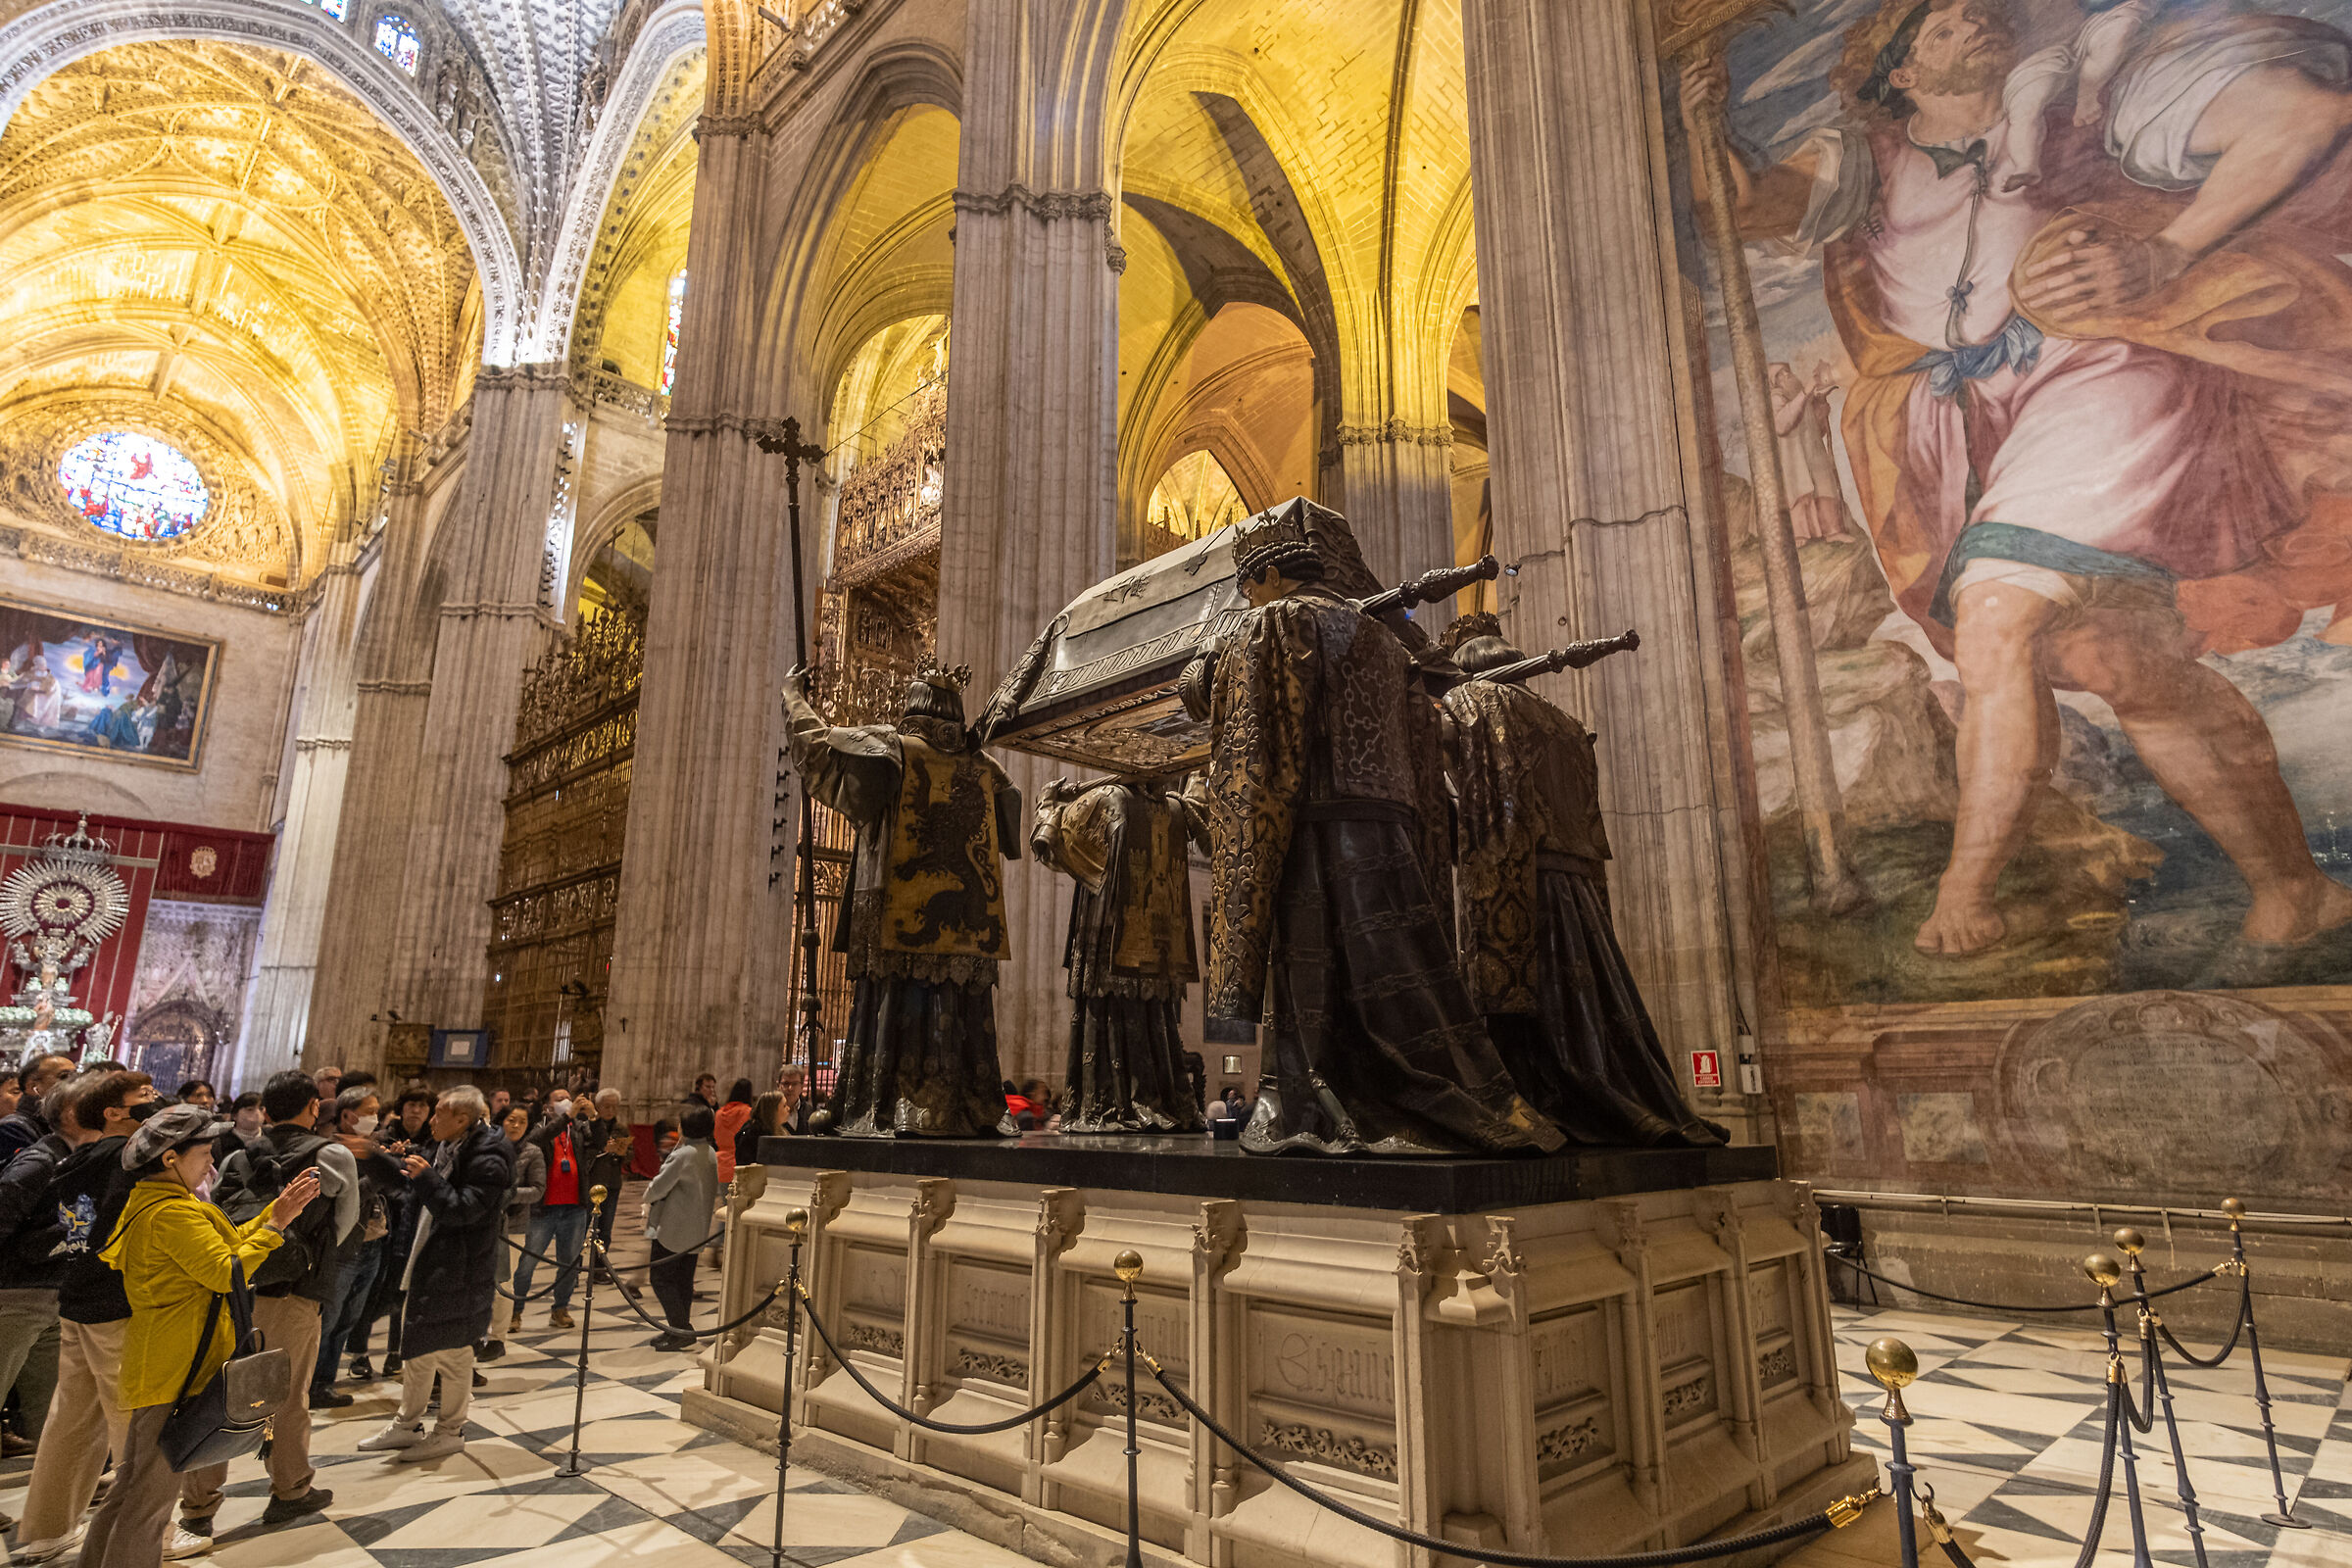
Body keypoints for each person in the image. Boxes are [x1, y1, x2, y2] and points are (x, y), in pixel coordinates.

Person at [1683, 0, 2352, 956]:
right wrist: (1705, 120)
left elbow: (2305, 117)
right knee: (2120, 661)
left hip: (2102, 377)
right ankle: (2295, 884)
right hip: (1970, 430)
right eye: (1940, 22)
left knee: (1997, 618)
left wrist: (2167, 248)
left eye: (1978, 11)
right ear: (1900, 72)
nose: (1971, 21)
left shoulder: (2090, 102)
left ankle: (1965, 895)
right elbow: (1743, 205)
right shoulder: (1868, 163)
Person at [1182, 504, 1563, 1157]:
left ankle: (1316, 1104)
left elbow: (1218, 706)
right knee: (1397, 977)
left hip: (1315, 829)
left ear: (1271, 573)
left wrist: (1215, 649)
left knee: (1315, 983)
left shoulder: (1278, 621)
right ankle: (1434, 1096)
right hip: (1390, 832)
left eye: (1248, 585)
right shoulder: (1383, 639)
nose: (1246, 599)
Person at [1439, 616, 1731, 1149]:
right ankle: (1627, 1104)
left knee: (1539, 1015)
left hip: (1520, 881)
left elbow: (1458, 786)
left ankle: (1546, 1105)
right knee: (1594, 1009)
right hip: (1576, 888)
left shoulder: (1476, 703)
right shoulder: (1566, 724)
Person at [783, 656, 1026, 1141]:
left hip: (895, 904)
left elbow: (816, 748)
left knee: (887, 999)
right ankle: (962, 1104)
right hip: (965, 921)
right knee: (958, 1007)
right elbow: (1011, 830)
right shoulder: (989, 770)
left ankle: (877, 1103)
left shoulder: (891, 749)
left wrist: (793, 697)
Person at [78, 1105, 323, 1568]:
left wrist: (277, 1215)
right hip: (174, 1367)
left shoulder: (169, 1202)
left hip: (170, 1361)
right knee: (149, 1498)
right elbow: (223, 1271)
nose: (211, 1165)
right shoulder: (170, 1212)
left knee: (133, 1488)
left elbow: (225, 1248)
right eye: (205, 1153)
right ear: (170, 1158)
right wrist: (273, 1229)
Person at [181, 1072, 351, 1544]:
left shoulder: (238, 1152)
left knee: (220, 1393)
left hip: (236, 1285)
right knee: (287, 1394)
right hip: (293, 1290)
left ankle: (197, 1508)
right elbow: (350, 1221)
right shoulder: (329, 1154)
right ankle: (291, 1489)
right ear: (315, 1107)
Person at [8, 1070, 155, 1563]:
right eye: (144, 1098)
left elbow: (79, 1229)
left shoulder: (78, 1158)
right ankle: (150, 1530)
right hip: (113, 1300)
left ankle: (48, 1529)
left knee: (72, 1420)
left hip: (76, 1295)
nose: (153, 1104)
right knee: (133, 1420)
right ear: (109, 1112)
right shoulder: (122, 1159)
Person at [1032, 775, 1207, 1133]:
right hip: (1156, 946)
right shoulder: (1176, 808)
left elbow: (1048, 844)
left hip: (1111, 933)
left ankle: (1112, 1104)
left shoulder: (1108, 798)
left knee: (1108, 1011)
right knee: (1155, 1019)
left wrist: (1047, 802)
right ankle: (1163, 1100)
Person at [356, 1087, 511, 1463]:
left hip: (462, 1267)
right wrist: (371, 1156)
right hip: (429, 1258)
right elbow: (409, 1179)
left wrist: (427, 1180)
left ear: (462, 1119)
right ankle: (408, 1424)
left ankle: (450, 1431)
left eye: (439, 1113)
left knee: (456, 1354)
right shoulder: (446, 1144)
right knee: (418, 1351)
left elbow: (464, 1210)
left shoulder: (490, 1157)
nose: (431, 1119)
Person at [309, 1086, 397, 1410]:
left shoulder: (369, 1148)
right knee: (328, 1320)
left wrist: (382, 1160)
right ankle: (312, 1384)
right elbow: (347, 1195)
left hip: (371, 1243)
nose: (374, 1118)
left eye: (377, 1111)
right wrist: (377, 1168)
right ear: (347, 1115)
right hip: (342, 1248)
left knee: (349, 1319)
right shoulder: (332, 1150)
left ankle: (326, 1381)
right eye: (369, 1111)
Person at [351, 1089, 434, 1380]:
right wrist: (389, 1159)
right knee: (372, 1292)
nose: (417, 1110)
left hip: (414, 1223)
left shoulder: (433, 1141)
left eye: (423, 1106)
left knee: (403, 1292)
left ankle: (395, 1352)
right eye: (412, 1104)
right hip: (381, 1224)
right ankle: (358, 1353)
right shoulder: (382, 1137)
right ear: (402, 1107)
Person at [641, 1106, 717, 1351]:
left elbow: (660, 1186)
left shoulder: (683, 1154)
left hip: (674, 1228)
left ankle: (680, 1329)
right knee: (683, 1281)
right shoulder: (710, 1152)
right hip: (696, 1228)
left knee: (661, 1279)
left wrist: (646, 1197)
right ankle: (678, 1331)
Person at [511, 1098, 591, 1330]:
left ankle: (560, 1309)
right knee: (527, 1264)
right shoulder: (537, 1129)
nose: (568, 1102)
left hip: (574, 1207)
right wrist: (567, 1117)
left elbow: (600, 1143)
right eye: (560, 1098)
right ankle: (514, 1312)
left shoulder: (577, 1130)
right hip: (543, 1209)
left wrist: (593, 1117)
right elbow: (538, 1139)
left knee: (569, 1264)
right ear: (547, 1107)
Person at [484, 1105, 543, 1357]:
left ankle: (497, 1338)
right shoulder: (488, 1146)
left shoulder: (532, 1152)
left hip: (514, 1225)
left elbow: (538, 1190)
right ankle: (475, 1335)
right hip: (484, 1222)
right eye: (511, 1120)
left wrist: (506, 1196)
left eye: (522, 1121)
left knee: (503, 1284)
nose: (516, 1125)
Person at [0, 1053, 74, 1167]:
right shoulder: (11, 1129)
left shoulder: (62, 1122)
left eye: (77, 1076)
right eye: (64, 1076)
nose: (74, 1082)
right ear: (32, 1087)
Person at [712, 1079, 755, 1186]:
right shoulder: (748, 1113)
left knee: (724, 1201)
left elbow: (716, 1137)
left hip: (720, 1165)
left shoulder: (719, 1113)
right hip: (739, 1165)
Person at [735, 1092, 784, 1171]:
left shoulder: (780, 1130)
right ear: (773, 1110)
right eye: (784, 1106)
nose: (788, 1108)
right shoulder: (752, 1134)